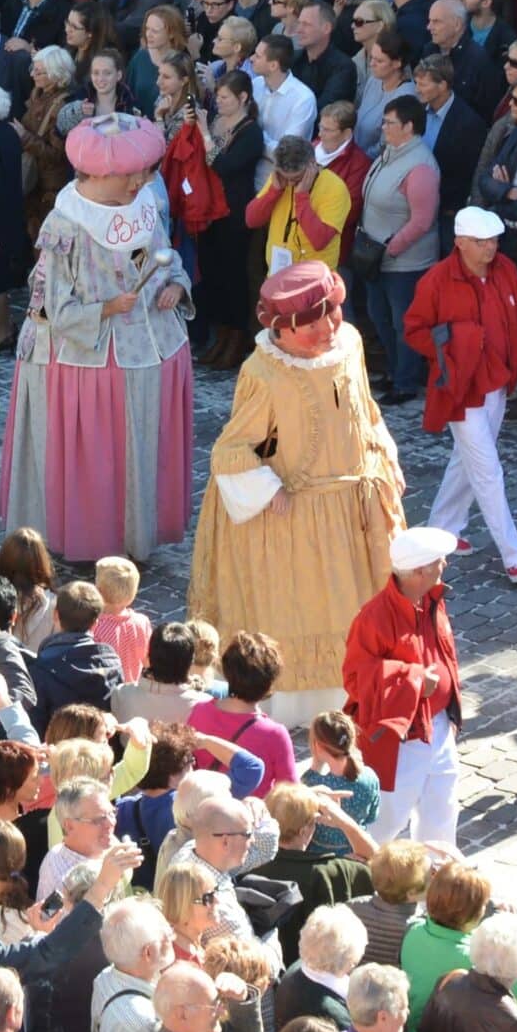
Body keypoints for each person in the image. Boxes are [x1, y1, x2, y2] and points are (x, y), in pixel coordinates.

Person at [192, 263, 407, 724]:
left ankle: (357, 691)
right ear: (284, 330)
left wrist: (384, 454)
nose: (330, 327)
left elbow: (364, 409)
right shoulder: (263, 373)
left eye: (333, 314)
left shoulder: (348, 345)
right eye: (315, 323)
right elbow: (231, 450)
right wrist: (268, 489)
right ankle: (294, 705)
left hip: (352, 512)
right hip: (297, 521)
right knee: (301, 608)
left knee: (356, 610)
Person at [0, 115, 193, 560]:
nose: (145, 181)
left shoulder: (142, 203)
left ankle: (132, 530)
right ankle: (89, 533)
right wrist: (104, 308)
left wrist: (176, 284)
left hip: (148, 347)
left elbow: (163, 256)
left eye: (146, 170)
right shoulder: (65, 227)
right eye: (135, 173)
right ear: (103, 174)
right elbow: (48, 307)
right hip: (83, 358)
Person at [406, 207, 517, 583]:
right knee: (487, 471)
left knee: (467, 462)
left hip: (497, 384)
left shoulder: (507, 271)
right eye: (482, 242)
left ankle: (443, 528)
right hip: (461, 392)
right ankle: (515, 556)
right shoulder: (436, 281)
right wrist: (449, 355)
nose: (491, 248)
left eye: (495, 240)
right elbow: (414, 329)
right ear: (461, 243)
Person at [343, 527, 462, 846]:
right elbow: (356, 679)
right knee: (387, 820)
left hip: (436, 729)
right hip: (400, 741)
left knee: (443, 811)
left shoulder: (432, 600)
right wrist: (414, 680)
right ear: (419, 572)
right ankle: (365, 877)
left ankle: (439, 882)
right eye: (439, 560)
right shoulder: (373, 619)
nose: (445, 565)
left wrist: (448, 715)